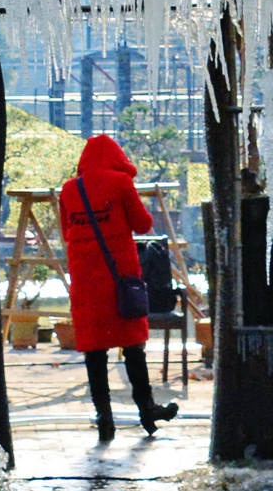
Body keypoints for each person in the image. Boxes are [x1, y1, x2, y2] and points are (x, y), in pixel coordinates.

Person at [57, 129, 181, 443]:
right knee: (133, 347)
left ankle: (105, 419)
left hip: (85, 282)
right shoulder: (121, 183)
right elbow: (143, 224)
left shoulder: (70, 189)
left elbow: (67, 232)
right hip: (119, 279)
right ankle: (147, 411)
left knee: (94, 350)